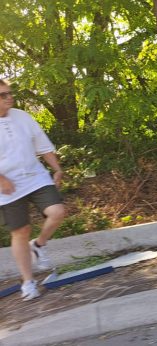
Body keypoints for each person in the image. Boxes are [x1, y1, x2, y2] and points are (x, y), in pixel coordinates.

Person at [0, 79, 66, 301]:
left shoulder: (22, 117)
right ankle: (28, 282)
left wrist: (57, 169)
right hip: (7, 186)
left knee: (57, 211)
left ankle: (39, 246)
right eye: (3, 95)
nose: (9, 97)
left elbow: (43, 145)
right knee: (21, 231)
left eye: (9, 93)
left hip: (35, 177)